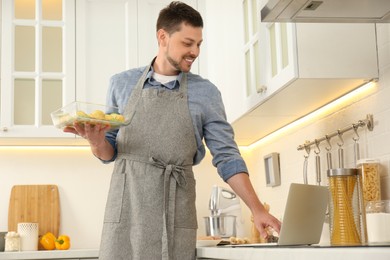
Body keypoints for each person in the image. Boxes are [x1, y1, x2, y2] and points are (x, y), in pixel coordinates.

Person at [64, 1, 281, 259]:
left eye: (199, 44)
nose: (195, 52)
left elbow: (227, 156)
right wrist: (96, 141)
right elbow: (108, 153)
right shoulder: (121, 84)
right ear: (162, 37)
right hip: (127, 214)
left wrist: (257, 209)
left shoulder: (206, 93)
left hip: (176, 213)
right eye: (187, 44)